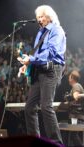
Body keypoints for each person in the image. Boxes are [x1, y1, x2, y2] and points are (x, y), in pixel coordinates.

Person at [17, 5, 66, 144]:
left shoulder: (57, 30)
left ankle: (57, 143)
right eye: (38, 17)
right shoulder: (40, 32)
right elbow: (37, 55)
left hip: (51, 70)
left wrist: (31, 59)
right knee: (29, 108)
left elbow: (51, 52)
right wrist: (27, 64)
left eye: (42, 16)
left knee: (46, 106)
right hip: (39, 70)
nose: (39, 19)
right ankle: (35, 140)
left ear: (49, 16)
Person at [65, 70, 84, 146]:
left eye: (69, 77)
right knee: (73, 135)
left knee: (74, 135)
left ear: (72, 78)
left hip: (75, 115)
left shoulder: (76, 86)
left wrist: (70, 97)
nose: (68, 79)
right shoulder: (75, 86)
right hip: (75, 114)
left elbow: (76, 96)